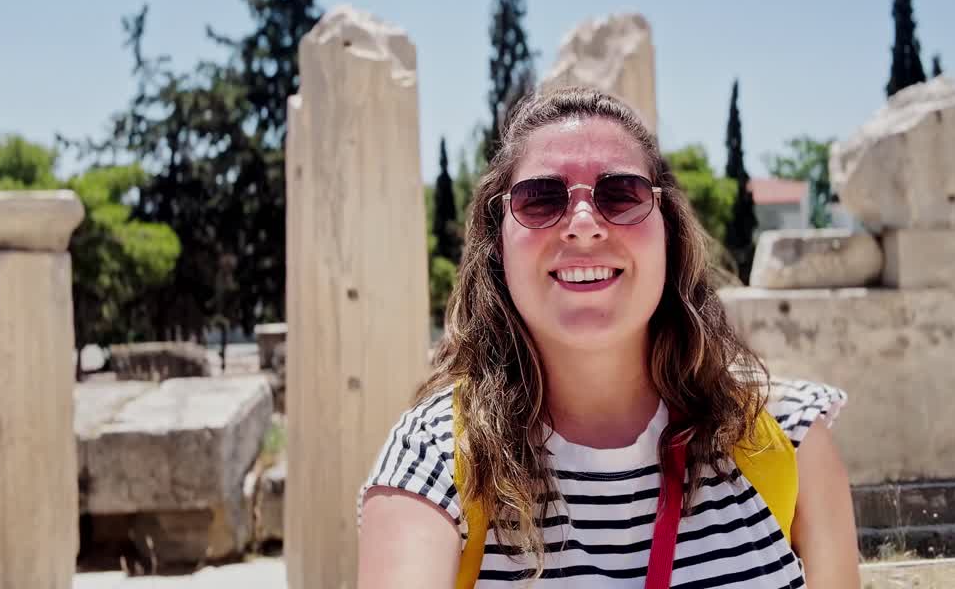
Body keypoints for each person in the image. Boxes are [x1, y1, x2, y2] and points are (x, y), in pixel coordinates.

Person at [358, 87, 860, 587]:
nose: (583, 225)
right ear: (497, 246)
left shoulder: (786, 437)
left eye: (621, 195)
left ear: (669, 232)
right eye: (539, 200)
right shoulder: (433, 458)